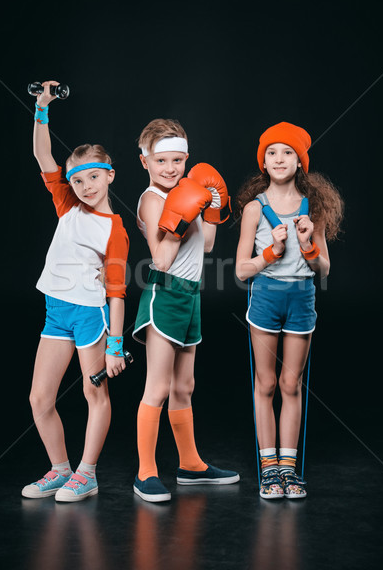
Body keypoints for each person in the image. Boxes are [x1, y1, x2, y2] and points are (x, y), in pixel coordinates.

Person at [22, 81, 129, 502]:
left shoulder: (114, 230)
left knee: (92, 392)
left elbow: (116, 292)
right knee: (39, 398)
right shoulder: (66, 204)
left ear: (110, 175)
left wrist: (116, 346)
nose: (86, 186)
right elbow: (41, 154)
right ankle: (60, 468)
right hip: (56, 312)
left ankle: (87, 474)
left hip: (89, 314)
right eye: (78, 179)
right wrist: (41, 108)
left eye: (94, 177)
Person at [132, 118, 240, 502]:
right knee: (158, 386)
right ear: (145, 161)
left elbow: (207, 246)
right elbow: (160, 259)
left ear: (187, 159)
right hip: (165, 294)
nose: (171, 168)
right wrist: (179, 216)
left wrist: (210, 206)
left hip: (191, 295)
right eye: (162, 161)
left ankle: (191, 465)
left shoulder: (187, 191)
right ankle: (145, 472)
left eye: (178, 160)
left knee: (184, 386)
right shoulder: (152, 199)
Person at [235, 121, 343, 499]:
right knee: (265, 384)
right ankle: (268, 470)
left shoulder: (315, 210)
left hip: (302, 299)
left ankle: (288, 469)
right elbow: (240, 270)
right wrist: (272, 252)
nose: (278, 158)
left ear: (300, 162)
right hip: (264, 297)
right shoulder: (254, 209)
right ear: (263, 162)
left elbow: (324, 269)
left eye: (287, 152)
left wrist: (308, 244)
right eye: (271, 152)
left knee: (290, 384)